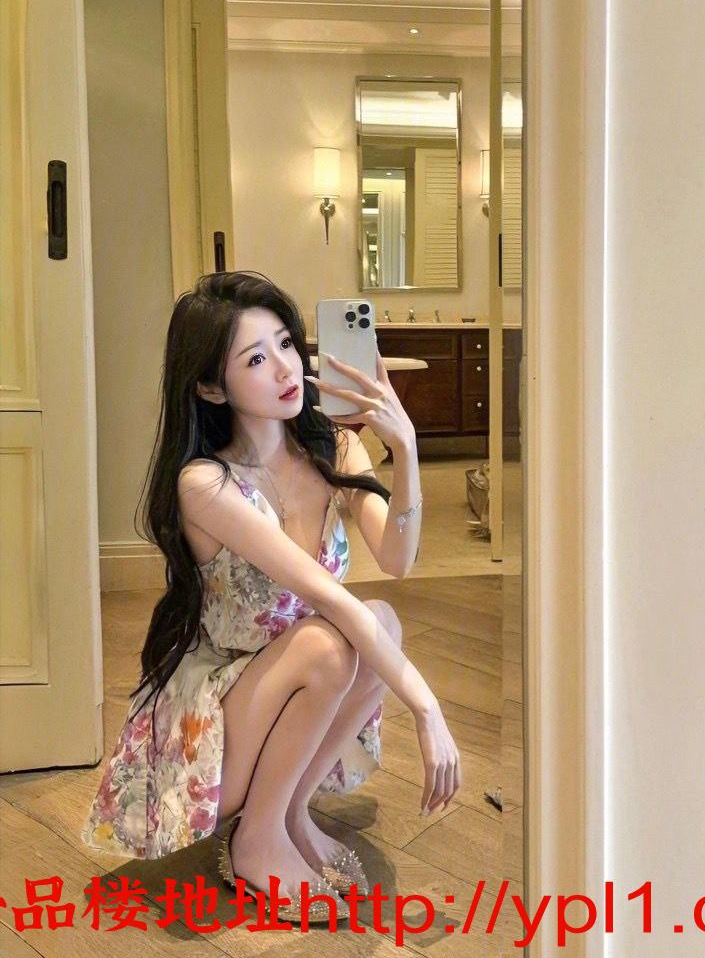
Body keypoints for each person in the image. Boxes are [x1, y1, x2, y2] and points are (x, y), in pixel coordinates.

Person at [80, 270, 461, 920]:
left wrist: (407, 449)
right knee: (327, 640)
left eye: (286, 343)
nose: (286, 368)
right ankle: (255, 837)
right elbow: (326, 597)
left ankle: (286, 814)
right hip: (217, 728)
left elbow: (397, 559)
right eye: (255, 359)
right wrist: (426, 707)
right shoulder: (206, 483)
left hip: (295, 698)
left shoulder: (335, 448)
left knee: (381, 620)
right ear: (210, 386)